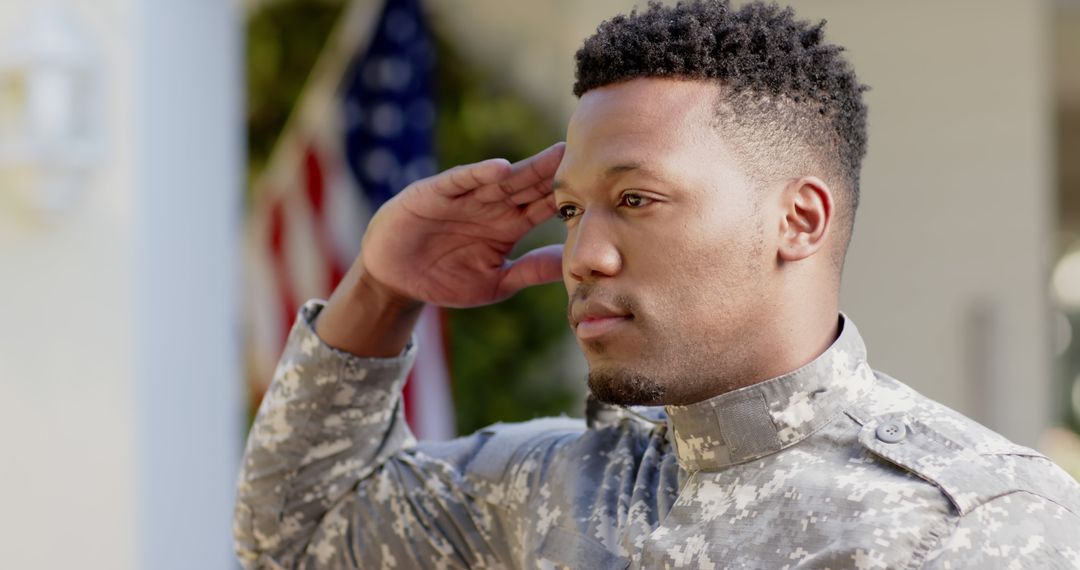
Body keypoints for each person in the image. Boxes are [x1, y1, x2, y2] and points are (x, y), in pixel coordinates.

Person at [234, 1, 1080, 568]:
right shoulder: (554, 486)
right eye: (570, 210)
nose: (584, 255)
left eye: (636, 200)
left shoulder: (972, 523)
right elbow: (299, 534)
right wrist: (381, 290)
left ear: (800, 219)